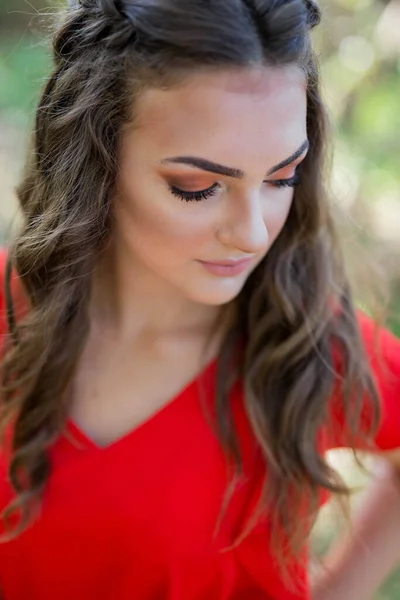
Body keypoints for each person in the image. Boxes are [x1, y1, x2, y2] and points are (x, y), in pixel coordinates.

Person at [0, 0, 399, 598]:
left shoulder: (307, 346)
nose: (253, 232)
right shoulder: (9, 309)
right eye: (198, 187)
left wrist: (342, 587)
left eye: (281, 177)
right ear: (96, 159)